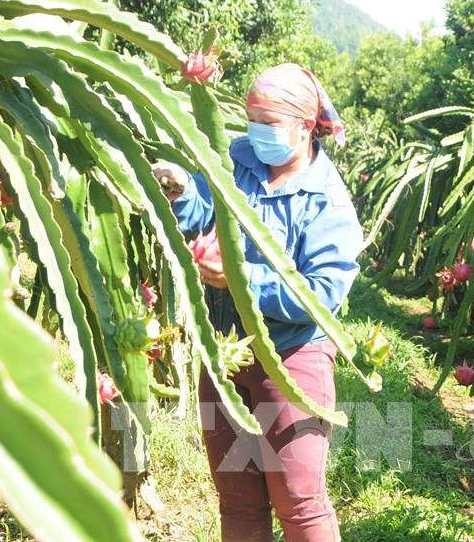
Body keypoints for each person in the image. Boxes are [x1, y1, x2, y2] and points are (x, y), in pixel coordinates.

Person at [152, 63, 361, 542]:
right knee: (238, 498)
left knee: (299, 499)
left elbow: (322, 296)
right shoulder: (239, 157)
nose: (255, 132)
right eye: (252, 119)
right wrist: (184, 190)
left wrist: (241, 277)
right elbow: (205, 209)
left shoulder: (328, 202)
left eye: (268, 123)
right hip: (223, 349)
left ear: (305, 127)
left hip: (290, 358)